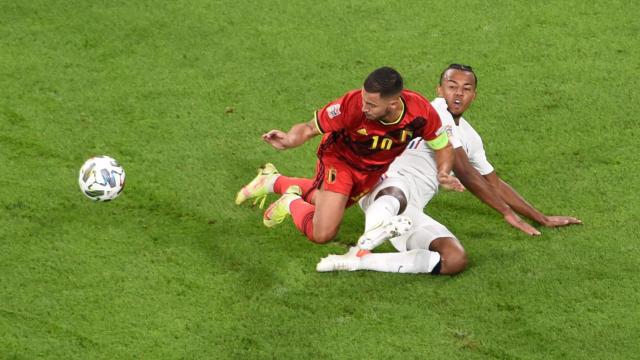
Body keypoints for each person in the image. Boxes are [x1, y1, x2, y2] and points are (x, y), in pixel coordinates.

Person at [316, 64, 582, 275]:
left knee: (454, 259)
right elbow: (464, 171)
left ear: (474, 95)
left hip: (409, 210)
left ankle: (358, 260)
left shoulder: (471, 138)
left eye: (466, 89)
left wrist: (540, 217)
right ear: (440, 90)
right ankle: (372, 234)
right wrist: (505, 212)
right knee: (394, 195)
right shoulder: (432, 112)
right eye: (452, 86)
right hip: (386, 187)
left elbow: (494, 182)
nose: (458, 93)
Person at [235, 67, 463, 244]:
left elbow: (442, 145)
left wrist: (443, 172)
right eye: (364, 100)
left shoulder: (420, 113)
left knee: (327, 204)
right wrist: (289, 140)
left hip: (371, 171)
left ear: (393, 103)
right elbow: (309, 127)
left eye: (372, 104)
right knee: (322, 232)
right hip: (340, 160)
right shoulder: (352, 105)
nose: (364, 107)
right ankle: (291, 202)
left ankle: (273, 181)